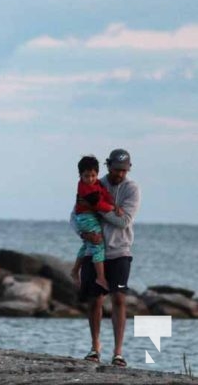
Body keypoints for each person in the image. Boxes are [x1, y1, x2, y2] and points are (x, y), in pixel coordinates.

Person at [70, 149, 141, 367]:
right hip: (94, 249)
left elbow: (123, 221)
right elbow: (74, 216)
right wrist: (83, 233)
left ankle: (118, 352)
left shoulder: (132, 189)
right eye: (116, 169)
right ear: (108, 166)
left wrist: (96, 207)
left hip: (120, 251)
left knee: (119, 298)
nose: (119, 174)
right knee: (95, 300)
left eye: (123, 170)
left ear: (128, 169)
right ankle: (95, 348)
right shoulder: (93, 182)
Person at [70, 155, 122, 292]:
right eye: (87, 176)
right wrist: (112, 208)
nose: (90, 179)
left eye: (93, 175)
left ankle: (75, 270)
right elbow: (98, 204)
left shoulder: (96, 183)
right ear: (80, 175)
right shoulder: (85, 189)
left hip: (89, 216)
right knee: (98, 245)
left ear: (97, 174)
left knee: (87, 245)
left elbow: (104, 194)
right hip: (85, 217)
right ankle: (100, 277)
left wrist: (114, 204)